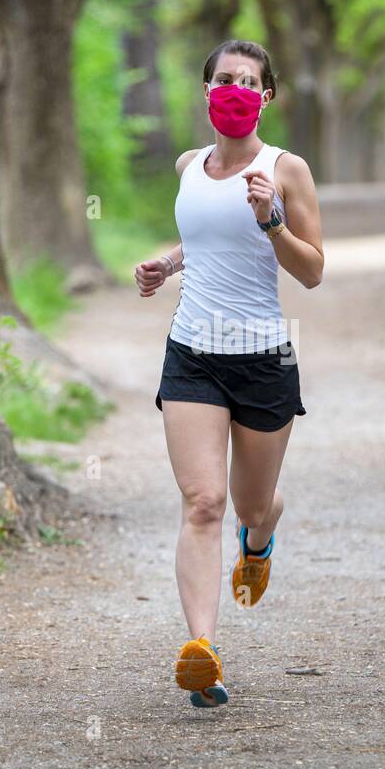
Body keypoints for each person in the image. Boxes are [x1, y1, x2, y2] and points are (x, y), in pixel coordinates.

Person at [133, 39, 324, 707]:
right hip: (192, 354)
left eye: (248, 81)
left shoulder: (287, 169)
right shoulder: (189, 166)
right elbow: (210, 239)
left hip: (264, 359)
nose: (235, 89)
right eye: (223, 79)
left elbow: (312, 270)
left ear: (266, 95)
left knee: (250, 505)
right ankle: (203, 652)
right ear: (207, 88)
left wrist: (273, 220)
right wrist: (169, 262)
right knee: (203, 502)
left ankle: (261, 540)